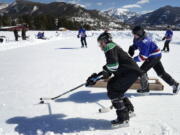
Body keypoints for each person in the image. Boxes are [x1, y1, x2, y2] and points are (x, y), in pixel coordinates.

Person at [86, 32, 142, 128]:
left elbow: (113, 66)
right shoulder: (113, 47)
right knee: (112, 84)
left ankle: (123, 119)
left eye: (100, 43)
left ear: (105, 41)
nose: (100, 46)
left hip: (129, 73)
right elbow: (111, 68)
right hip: (129, 72)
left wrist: (96, 77)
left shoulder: (109, 48)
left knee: (113, 91)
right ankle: (129, 110)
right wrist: (97, 77)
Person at [128, 26, 179, 95]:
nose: (134, 35)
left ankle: (145, 89)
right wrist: (132, 47)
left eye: (135, 34)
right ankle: (175, 84)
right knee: (161, 73)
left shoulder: (145, 41)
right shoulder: (137, 38)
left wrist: (133, 60)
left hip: (153, 56)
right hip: (154, 55)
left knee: (142, 71)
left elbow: (143, 57)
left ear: (139, 34)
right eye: (133, 34)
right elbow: (137, 44)